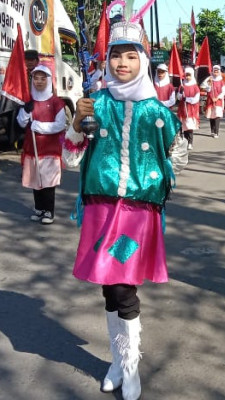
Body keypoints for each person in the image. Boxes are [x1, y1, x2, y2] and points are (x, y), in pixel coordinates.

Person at [62, 21, 187, 400]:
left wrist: (158, 178)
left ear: (144, 61)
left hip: (137, 214)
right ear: (107, 61)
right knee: (108, 288)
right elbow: (70, 160)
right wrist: (74, 126)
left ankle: (130, 368)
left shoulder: (157, 111)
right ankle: (118, 362)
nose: (122, 63)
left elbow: (178, 155)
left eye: (131, 56)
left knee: (123, 288)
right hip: (99, 208)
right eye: (116, 55)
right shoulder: (94, 104)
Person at [17, 65, 66, 224]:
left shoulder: (56, 102)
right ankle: (38, 208)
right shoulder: (29, 100)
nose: (39, 81)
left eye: (42, 78)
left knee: (48, 182)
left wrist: (37, 125)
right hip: (32, 149)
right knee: (35, 180)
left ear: (49, 80)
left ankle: (49, 211)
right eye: (36, 78)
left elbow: (60, 125)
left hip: (49, 150)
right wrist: (25, 111)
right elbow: (21, 122)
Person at [177, 67, 200, 150]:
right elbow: (179, 98)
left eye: (189, 75)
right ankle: (185, 141)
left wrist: (187, 99)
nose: (187, 77)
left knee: (189, 126)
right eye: (186, 75)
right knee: (184, 126)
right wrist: (180, 92)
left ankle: (190, 142)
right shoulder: (182, 86)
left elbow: (196, 99)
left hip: (191, 110)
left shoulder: (195, 87)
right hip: (183, 109)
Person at [204, 65, 225, 138]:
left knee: (217, 116)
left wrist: (217, 98)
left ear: (219, 72)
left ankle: (216, 132)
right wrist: (209, 84)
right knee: (211, 116)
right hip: (210, 100)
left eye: (217, 71)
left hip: (218, 101)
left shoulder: (221, 81)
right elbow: (206, 89)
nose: (215, 73)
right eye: (214, 71)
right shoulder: (210, 80)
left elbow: (223, 92)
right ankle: (212, 131)